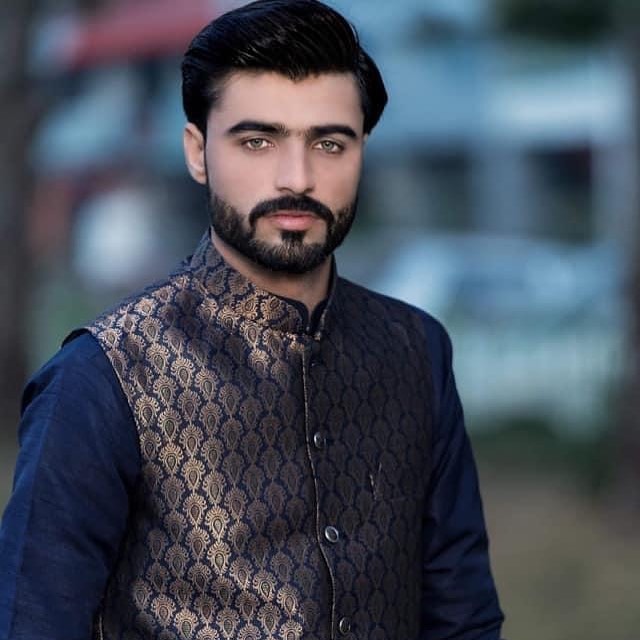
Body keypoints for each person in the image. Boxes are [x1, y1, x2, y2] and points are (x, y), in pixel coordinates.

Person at [0, 1, 504, 638]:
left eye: (328, 143)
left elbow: (462, 615)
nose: (297, 178)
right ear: (198, 152)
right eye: (257, 141)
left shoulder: (415, 351)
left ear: (362, 152)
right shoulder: (104, 376)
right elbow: (33, 620)